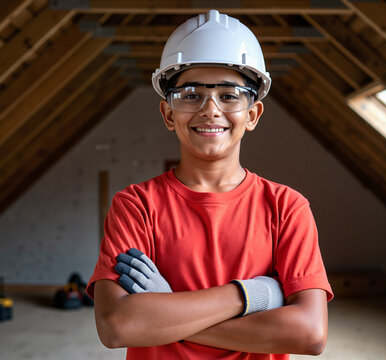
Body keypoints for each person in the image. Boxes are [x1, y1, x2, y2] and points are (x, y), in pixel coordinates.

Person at [87, 9, 333, 359]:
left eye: (229, 95)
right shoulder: (136, 205)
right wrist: (251, 295)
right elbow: (116, 327)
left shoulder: (287, 208)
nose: (210, 110)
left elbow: (309, 334)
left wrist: (165, 311)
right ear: (169, 113)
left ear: (252, 114)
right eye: (190, 94)